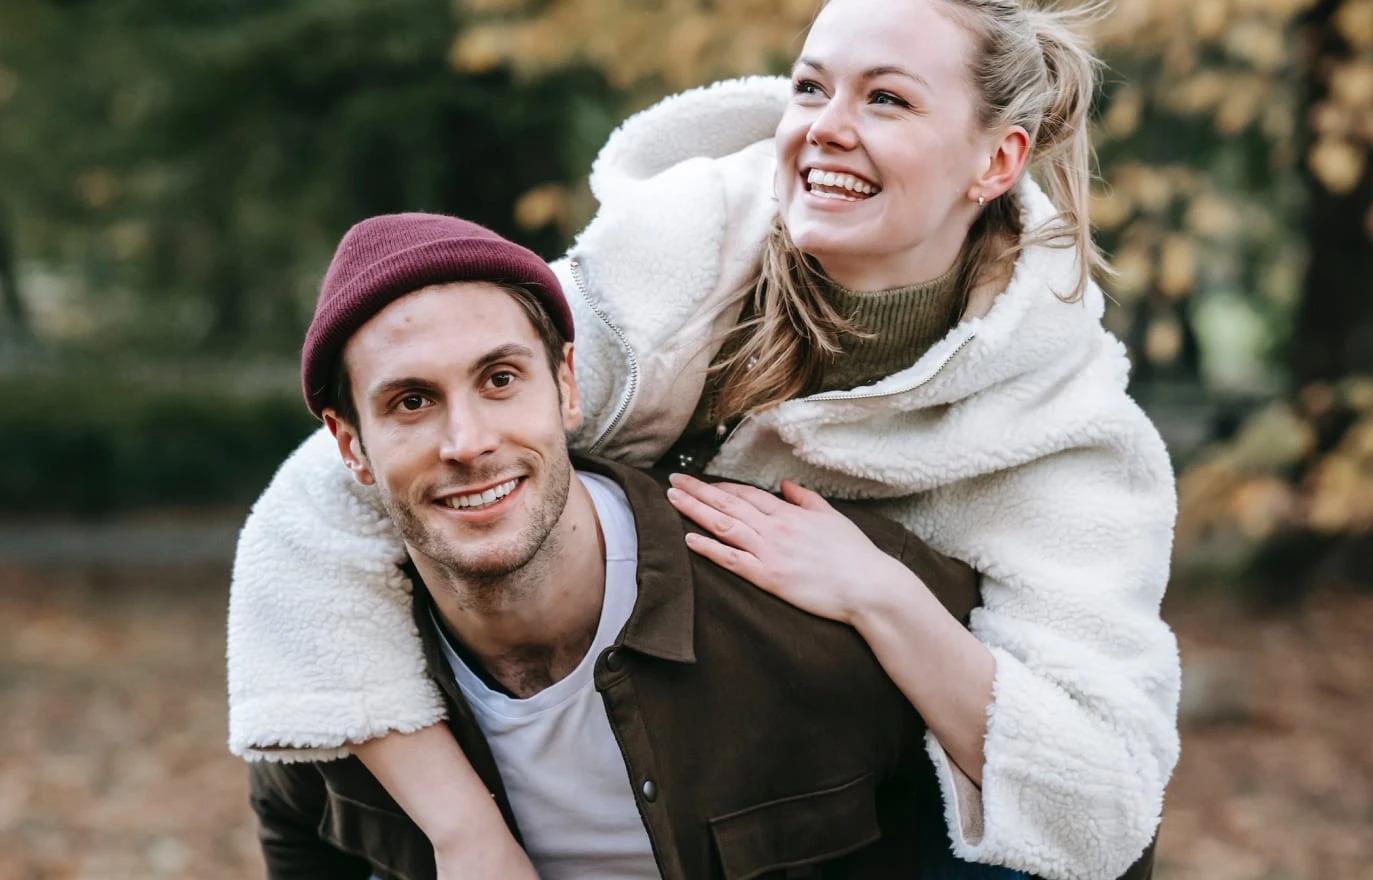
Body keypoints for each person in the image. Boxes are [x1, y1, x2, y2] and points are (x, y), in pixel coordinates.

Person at [228, 0, 1180, 877]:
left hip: (848, 777)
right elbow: (317, 512)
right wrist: (465, 833)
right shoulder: (675, 267)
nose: (826, 126)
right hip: (615, 700)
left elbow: (1102, 804)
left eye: (886, 98)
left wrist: (880, 593)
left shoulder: (1060, 432)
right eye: (811, 87)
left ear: (998, 162)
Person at [246, 212, 1009, 879]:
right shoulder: (337, 699)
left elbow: (1045, 804)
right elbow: (291, 823)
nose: (468, 442)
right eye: (411, 402)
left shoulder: (814, 598)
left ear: (567, 386)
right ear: (350, 446)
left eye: (501, 379)